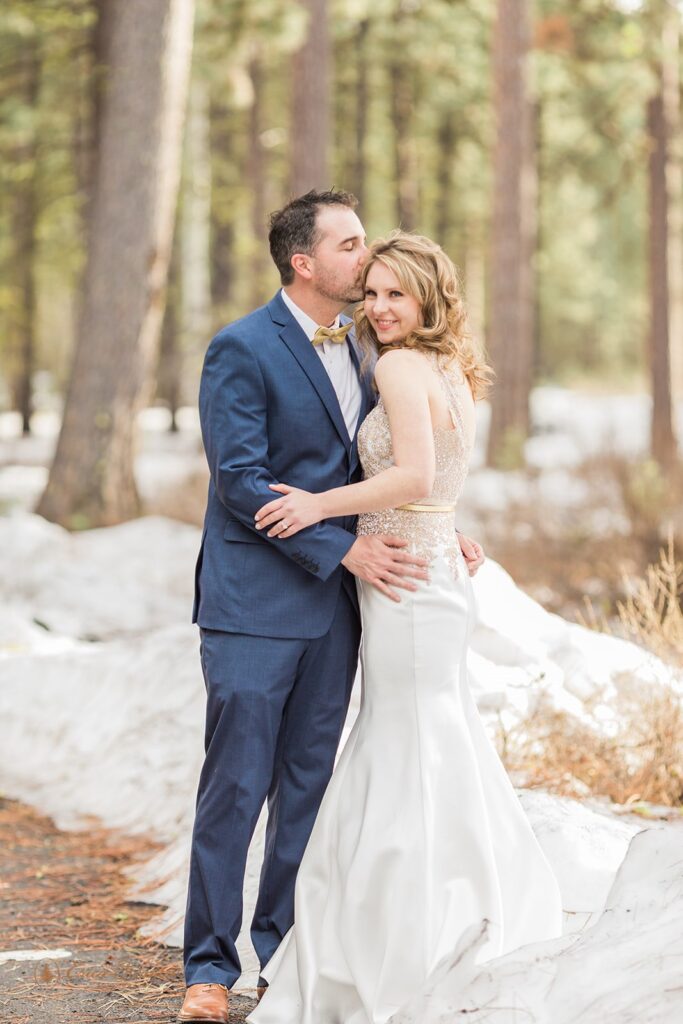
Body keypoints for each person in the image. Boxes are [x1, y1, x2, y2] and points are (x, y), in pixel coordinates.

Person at [179, 192, 484, 1024]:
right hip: (254, 603)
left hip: (348, 607)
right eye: (350, 246)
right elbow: (240, 481)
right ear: (304, 263)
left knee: (310, 788)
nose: (367, 258)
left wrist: (437, 527)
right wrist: (340, 545)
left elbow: (410, 457)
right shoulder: (240, 347)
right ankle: (208, 969)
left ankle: (286, 952)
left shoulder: (369, 344)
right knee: (235, 786)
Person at [246, 231, 563, 1024]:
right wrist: (438, 524)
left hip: (407, 579)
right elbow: (439, 483)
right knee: (432, 734)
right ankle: (463, 905)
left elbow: (417, 474)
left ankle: (407, 931)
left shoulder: (395, 365)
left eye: (397, 293)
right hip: (430, 567)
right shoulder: (452, 366)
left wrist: (317, 505)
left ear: (429, 296)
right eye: (373, 292)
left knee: (408, 740)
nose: (379, 308)